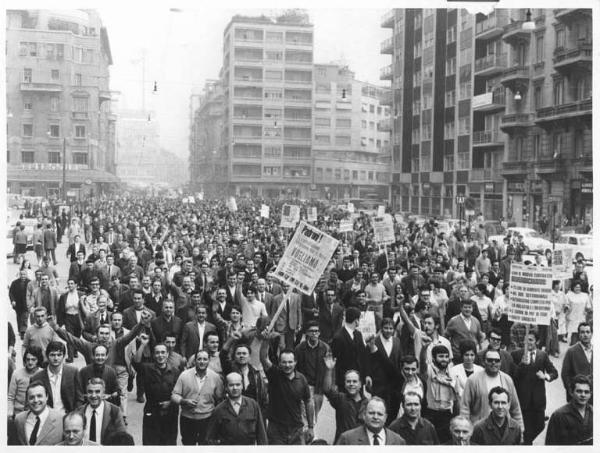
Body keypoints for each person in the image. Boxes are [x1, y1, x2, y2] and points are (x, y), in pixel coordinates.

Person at [259, 334, 314, 445]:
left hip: (296, 430)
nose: (287, 365)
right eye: (284, 362)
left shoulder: (302, 379)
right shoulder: (274, 374)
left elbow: (308, 401)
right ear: (279, 363)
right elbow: (264, 358)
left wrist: (311, 427)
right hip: (276, 430)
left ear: (295, 362)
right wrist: (265, 341)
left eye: (290, 362)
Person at [511, 329, 558, 444]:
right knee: (526, 431)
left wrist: (545, 376)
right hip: (523, 400)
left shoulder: (542, 355)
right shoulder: (516, 354)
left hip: (538, 401)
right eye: (526, 340)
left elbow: (554, 373)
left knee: (539, 428)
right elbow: (513, 376)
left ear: (537, 341)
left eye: (531, 340)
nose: (528, 343)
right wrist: (521, 364)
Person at [460, 349, 523, 431]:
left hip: (503, 429)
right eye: (490, 360)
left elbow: (515, 408)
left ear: (500, 362)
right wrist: (465, 430)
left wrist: (521, 429)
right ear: (484, 362)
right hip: (480, 430)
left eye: (497, 361)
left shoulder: (507, 379)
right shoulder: (473, 380)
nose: (493, 363)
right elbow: (465, 408)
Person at [171, 349, 224, 445]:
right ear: (195, 361)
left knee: (205, 445)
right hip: (187, 419)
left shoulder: (215, 377)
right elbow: (174, 395)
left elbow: (220, 399)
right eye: (199, 359)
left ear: (209, 361)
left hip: (207, 419)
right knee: (188, 444)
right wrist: (183, 401)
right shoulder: (184, 375)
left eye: (205, 359)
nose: (202, 362)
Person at [132, 340, 181, 445]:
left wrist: (171, 402)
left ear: (167, 354)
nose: (160, 355)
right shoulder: (146, 369)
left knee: (169, 443)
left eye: (163, 352)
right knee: (151, 443)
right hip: (152, 412)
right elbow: (135, 362)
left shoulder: (175, 372)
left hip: (170, 413)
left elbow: (180, 393)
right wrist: (143, 344)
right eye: (157, 353)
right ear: (153, 355)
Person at [205, 372, 268, 445]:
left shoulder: (253, 405)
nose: (235, 388)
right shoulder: (219, 410)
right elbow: (210, 438)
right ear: (226, 387)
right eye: (231, 385)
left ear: (242, 386)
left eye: (238, 385)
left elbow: (261, 435)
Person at [322, 351, 369, 443]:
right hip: (342, 443)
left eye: (354, 381)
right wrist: (329, 370)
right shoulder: (340, 399)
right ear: (345, 384)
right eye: (348, 381)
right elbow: (327, 390)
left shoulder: (368, 403)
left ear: (360, 384)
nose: (351, 384)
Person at [366, 317, 402, 423]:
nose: (388, 330)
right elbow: (367, 361)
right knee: (378, 409)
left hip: (394, 384)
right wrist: (368, 376)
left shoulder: (397, 341)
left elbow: (400, 360)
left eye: (391, 328)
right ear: (381, 329)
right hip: (378, 383)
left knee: (392, 411)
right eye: (386, 328)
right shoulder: (374, 342)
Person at [31, 341, 83, 413]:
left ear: (64, 356)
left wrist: (75, 415)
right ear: (47, 355)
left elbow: (79, 398)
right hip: (46, 417)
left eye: (59, 355)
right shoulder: (37, 377)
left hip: (68, 416)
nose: (56, 358)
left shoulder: (73, 372)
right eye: (52, 355)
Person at [294, 321, 329, 423]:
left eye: (317, 331)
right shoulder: (299, 349)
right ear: (307, 333)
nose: (314, 333)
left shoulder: (325, 348)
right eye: (312, 331)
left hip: (318, 387)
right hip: (305, 386)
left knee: (315, 414)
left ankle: (310, 432)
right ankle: (310, 435)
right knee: (307, 415)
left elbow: (329, 368)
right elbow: (295, 368)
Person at [74, 377, 127, 445]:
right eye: (90, 392)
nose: (93, 395)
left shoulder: (114, 411)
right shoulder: (79, 412)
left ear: (103, 393)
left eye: (97, 391)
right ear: (86, 393)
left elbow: (123, 438)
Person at [336, 397, 406, 445]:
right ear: (364, 415)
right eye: (371, 413)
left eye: (380, 414)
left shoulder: (398, 441)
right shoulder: (347, 439)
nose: (375, 417)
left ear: (385, 417)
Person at [545, 374, 593, 445]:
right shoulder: (558, 416)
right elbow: (550, 445)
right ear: (571, 392)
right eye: (579, 391)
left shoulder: (594, 412)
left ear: (590, 394)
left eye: (586, 392)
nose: (583, 395)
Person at [331, 306, 371, 390]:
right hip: (344, 382)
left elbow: (364, 356)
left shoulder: (358, 334)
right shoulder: (338, 337)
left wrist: (366, 374)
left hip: (358, 380)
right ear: (356, 320)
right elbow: (334, 361)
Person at [13, 381, 64, 445]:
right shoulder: (19, 419)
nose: (36, 400)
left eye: (39, 396)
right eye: (31, 397)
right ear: (27, 400)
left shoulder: (60, 419)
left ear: (47, 397)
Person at [8, 346, 44, 419]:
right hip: (19, 413)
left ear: (38, 360)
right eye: (28, 359)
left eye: (33, 360)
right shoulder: (16, 374)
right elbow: (11, 397)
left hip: (38, 413)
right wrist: (10, 413)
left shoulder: (43, 374)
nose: (30, 362)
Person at [561, 322, 593, 401]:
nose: (585, 335)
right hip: (577, 396)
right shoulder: (571, 351)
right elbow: (565, 374)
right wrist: (571, 391)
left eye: (588, 332)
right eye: (582, 332)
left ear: (591, 334)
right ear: (578, 334)